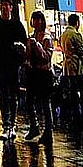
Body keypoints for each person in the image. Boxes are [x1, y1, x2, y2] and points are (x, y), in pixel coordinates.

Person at [0, 0, 28, 140]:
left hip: (14, 64)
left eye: (7, 5)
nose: (4, 8)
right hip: (0, 63)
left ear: (11, 7)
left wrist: (21, 52)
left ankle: (13, 125)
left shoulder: (17, 24)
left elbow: (24, 43)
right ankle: (6, 125)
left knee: (14, 94)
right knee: (3, 95)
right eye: (2, 5)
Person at [59, 14, 83, 143]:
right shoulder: (75, 35)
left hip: (67, 68)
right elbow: (82, 53)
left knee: (72, 94)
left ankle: (75, 116)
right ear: (77, 22)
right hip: (77, 68)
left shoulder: (63, 35)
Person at [23, 12, 55, 144]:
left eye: (38, 20)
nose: (36, 22)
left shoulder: (47, 37)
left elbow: (47, 57)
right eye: (34, 20)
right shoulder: (31, 36)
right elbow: (28, 56)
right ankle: (34, 126)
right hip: (33, 73)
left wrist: (37, 45)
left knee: (45, 103)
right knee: (29, 101)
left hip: (44, 74)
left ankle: (48, 132)